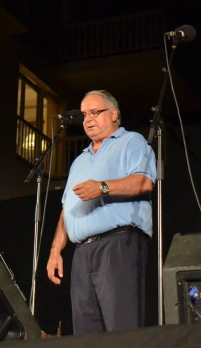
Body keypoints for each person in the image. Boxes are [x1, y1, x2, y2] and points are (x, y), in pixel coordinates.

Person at [46, 90, 157, 334]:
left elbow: (143, 182)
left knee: (121, 330)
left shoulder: (131, 141)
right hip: (82, 253)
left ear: (114, 113)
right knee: (86, 334)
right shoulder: (80, 160)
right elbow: (67, 209)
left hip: (117, 245)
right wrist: (55, 250)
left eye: (95, 112)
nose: (88, 119)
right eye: (85, 114)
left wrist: (103, 187)